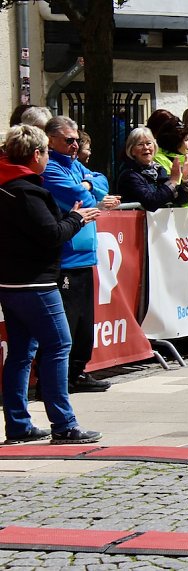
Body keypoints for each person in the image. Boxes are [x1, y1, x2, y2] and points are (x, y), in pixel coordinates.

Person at [0, 125, 104, 444]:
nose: (48, 157)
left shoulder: (8, 185)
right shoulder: (26, 190)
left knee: (21, 351)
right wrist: (76, 219)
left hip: (11, 281)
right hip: (35, 282)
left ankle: (18, 424)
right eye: (45, 151)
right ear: (36, 155)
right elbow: (49, 235)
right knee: (59, 345)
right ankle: (64, 424)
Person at [42, 116, 119, 393]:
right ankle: (57, 380)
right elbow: (81, 196)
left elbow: (102, 182)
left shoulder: (73, 164)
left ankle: (78, 372)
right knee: (68, 323)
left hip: (86, 255)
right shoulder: (50, 167)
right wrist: (88, 186)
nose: (75, 145)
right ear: (50, 140)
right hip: (67, 256)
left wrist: (88, 184)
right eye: (69, 140)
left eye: (76, 140)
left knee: (85, 322)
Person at [115, 127, 188, 211]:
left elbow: (179, 200)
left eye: (149, 143)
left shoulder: (159, 170)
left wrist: (185, 178)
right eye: (140, 144)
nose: (146, 148)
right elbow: (151, 202)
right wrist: (172, 182)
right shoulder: (129, 175)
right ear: (132, 151)